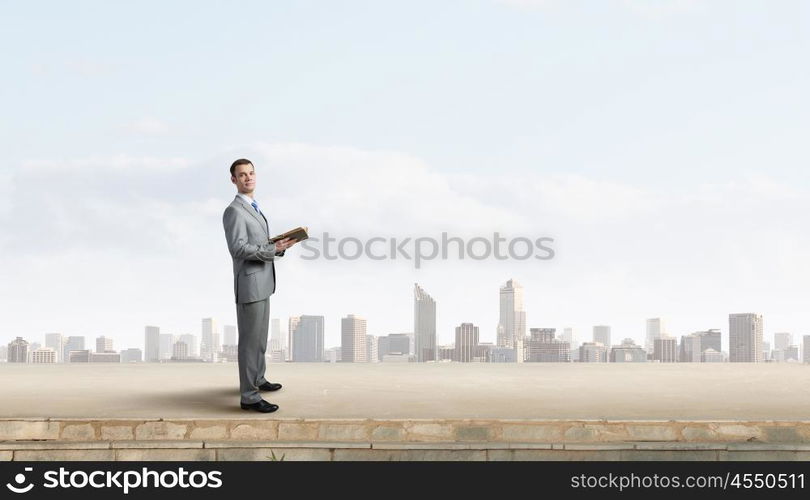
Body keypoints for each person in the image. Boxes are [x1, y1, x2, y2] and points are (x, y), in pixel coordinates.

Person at [222, 158, 297, 413]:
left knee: (260, 340)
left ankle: (257, 379)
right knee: (249, 341)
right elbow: (238, 248)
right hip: (250, 284)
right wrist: (271, 249)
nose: (248, 178)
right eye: (242, 175)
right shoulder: (234, 211)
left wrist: (279, 247)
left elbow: (260, 243)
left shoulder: (253, 206)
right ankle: (249, 396)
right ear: (233, 180)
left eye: (251, 173)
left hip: (263, 282)